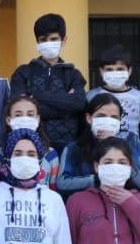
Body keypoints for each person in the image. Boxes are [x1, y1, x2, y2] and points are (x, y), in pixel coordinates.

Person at [8, 13, 86, 152]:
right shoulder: (23, 72)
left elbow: (79, 104)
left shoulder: (73, 74)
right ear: (37, 42)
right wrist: (66, 109)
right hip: (30, 146)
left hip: (69, 147)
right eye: (43, 39)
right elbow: (19, 107)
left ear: (64, 40)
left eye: (53, 38)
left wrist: (35, 96)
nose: (48, 43)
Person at [55, 92, 129, 198]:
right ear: (89, 118)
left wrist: (123, 147)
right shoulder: (74, 148)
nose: (108, 121)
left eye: (114, 117)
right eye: (101, 116)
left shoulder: (126, 147)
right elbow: (62, 184)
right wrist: (96, 179)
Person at [0, 94, 61, 187]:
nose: (25, 119)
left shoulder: (51, 155)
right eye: (18, 115)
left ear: (38, 119)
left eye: (30, 114)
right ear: (8, 120)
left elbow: (52, 190)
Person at [86, 45, 140, 139]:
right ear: (101, 71)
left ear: (129, 70)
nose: (115, 73)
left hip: (131, 150)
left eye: (120, 69)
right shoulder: (90, 96)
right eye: (109, 69)